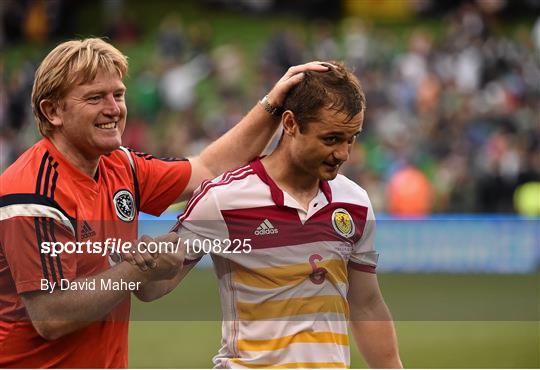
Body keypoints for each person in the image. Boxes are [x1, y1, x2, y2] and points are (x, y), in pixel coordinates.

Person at [0, 37, 328, 368]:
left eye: (118, 94)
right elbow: (51, 315)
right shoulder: (32, 191)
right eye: (95, 98)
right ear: (52, 111)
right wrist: (137, 269)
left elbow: (209, 168)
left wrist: (272, 104)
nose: (114, 109)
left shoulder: (120, 164)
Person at [135, 62, 402, 368]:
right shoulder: (224, 198)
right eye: (331, 139)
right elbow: (154, 288)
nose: (343, 153)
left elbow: (366, 305)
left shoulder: (354, 202)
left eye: (351, 138)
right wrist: (142, 264)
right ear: (289, 124)